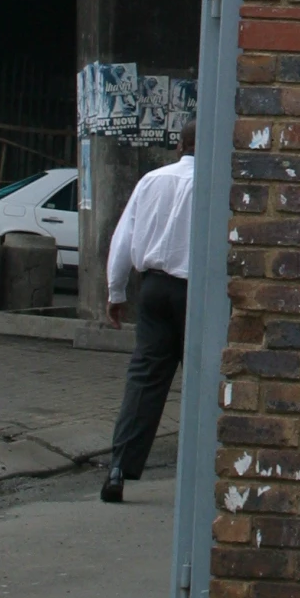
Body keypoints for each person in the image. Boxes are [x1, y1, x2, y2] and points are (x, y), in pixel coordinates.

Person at [99, 120, 196, 504]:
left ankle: (119, 467)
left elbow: (123, 237)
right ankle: (199, 474)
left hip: (152, 289)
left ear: (178, 146)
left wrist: (116, 291)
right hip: (195, 291)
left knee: (144, 380)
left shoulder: (152, 180)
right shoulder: (219, 183)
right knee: (201, 383)